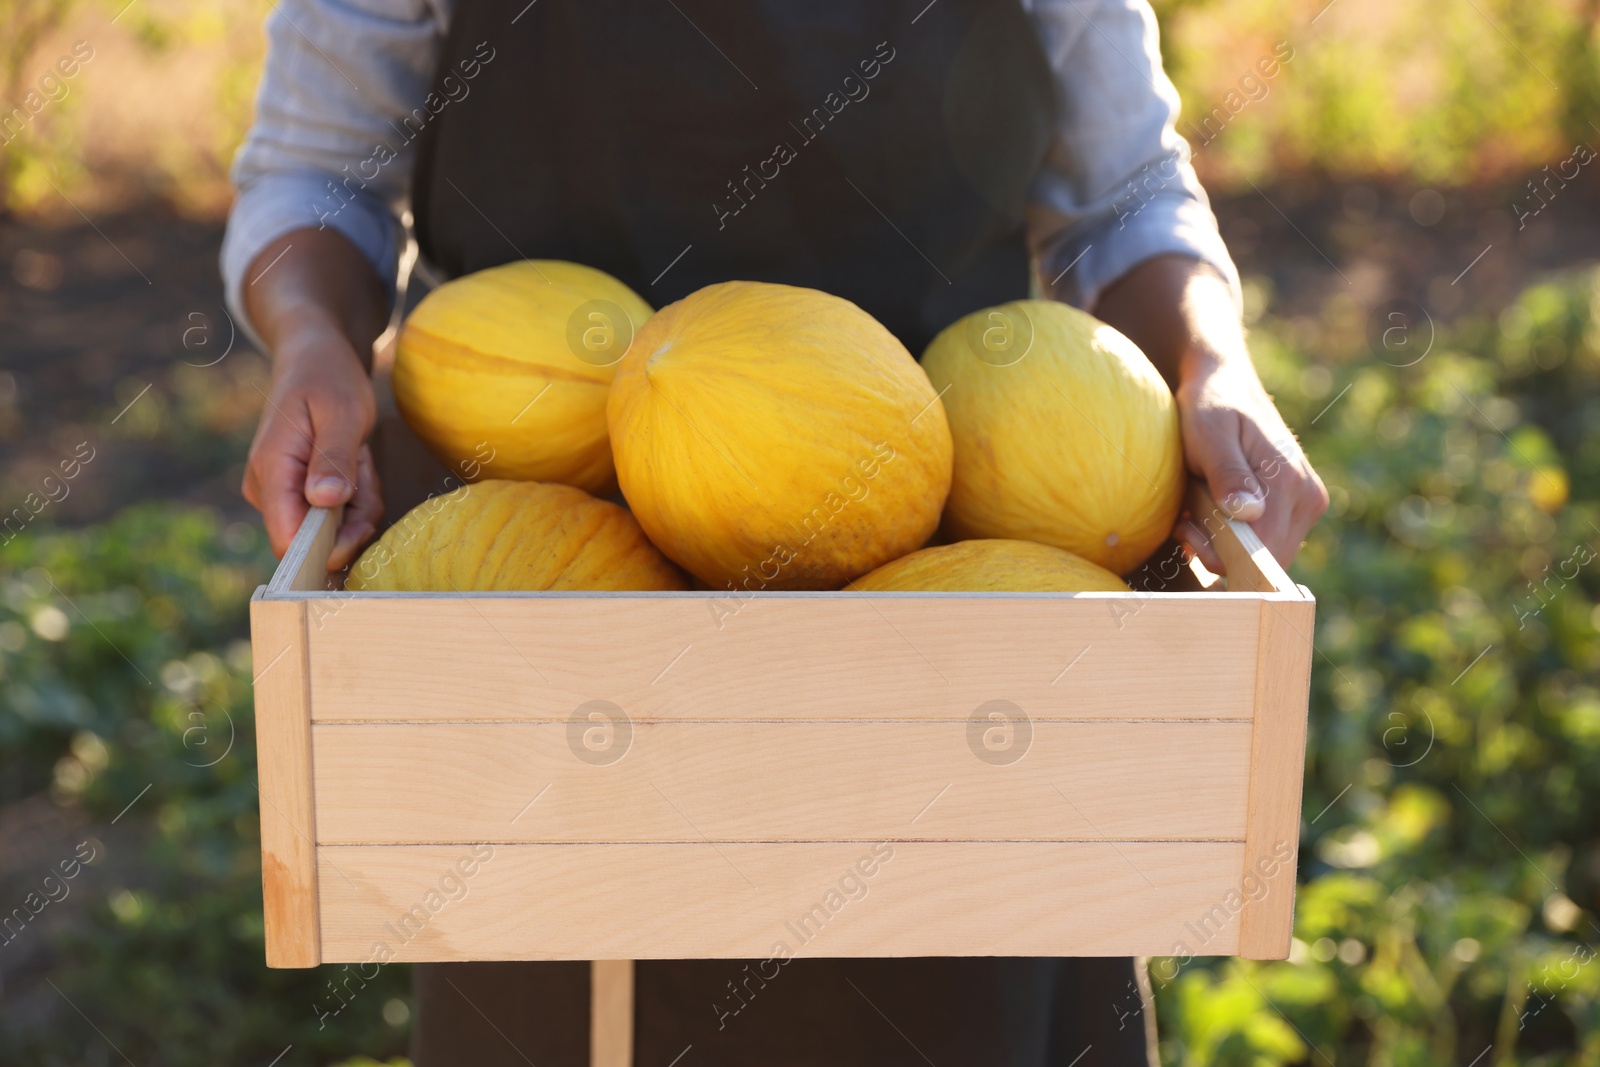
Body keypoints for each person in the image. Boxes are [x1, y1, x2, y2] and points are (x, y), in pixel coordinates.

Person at [224, 1, 1328, 1064]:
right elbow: (318, 173)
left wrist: (1208, 359)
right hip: (531, 577)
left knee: (962, 953)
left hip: (951, 533)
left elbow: (1122, 196)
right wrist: (313, 336)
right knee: (553, 959)